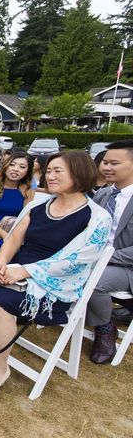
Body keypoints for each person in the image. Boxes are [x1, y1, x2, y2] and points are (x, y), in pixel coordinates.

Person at [0, 151, 111, 396]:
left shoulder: (96, 218)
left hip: (53, 285)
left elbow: (75, 262)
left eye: (57, 171)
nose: (49, 176)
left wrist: (25, 271)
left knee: (0, 305)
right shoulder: (38, 204)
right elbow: (13, 239)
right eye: (48, 171)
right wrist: (1, 261)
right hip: (14, 272)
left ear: (79, 173)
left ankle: (0, 367)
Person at [86, 140, 133, 364]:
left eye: (115, 163)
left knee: (94, 281)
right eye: (105, 162)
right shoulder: (103, 194)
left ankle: (105, 327)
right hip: (96, 258)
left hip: (126, 267)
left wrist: (102, 258)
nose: (106, 167)